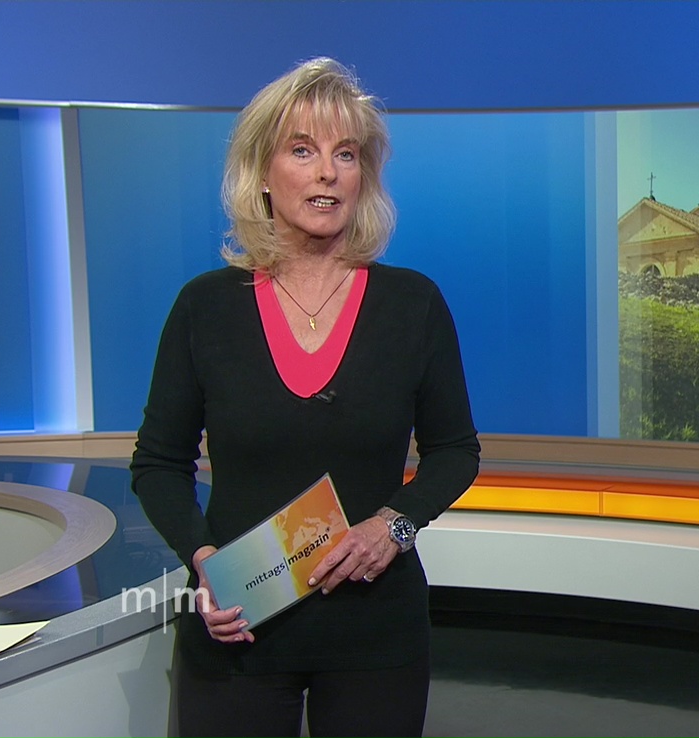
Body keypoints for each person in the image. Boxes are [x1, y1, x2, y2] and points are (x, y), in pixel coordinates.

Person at [130, 58, 480, 737]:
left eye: (345, 154)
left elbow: (455, 451)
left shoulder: (413, 305)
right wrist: (203, 559)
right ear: (261, 172)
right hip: (239, 628)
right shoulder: (205, 308)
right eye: (302, 150)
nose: (327, 173)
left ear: (363, 175)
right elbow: (159, 463)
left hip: (375, 632)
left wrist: (394, 526)